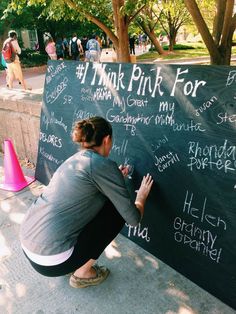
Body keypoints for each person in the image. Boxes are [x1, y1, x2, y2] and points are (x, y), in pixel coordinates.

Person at [20, 116, 153, 288]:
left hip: (29, 245)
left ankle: (71, 259)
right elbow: (133, 219)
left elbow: (90, 185)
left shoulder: (75, 160)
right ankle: (82, 273)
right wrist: (141, 197)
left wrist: (115, 179)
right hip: (50, 262)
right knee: (117, 213)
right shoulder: (103, 165)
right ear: (107, 140)